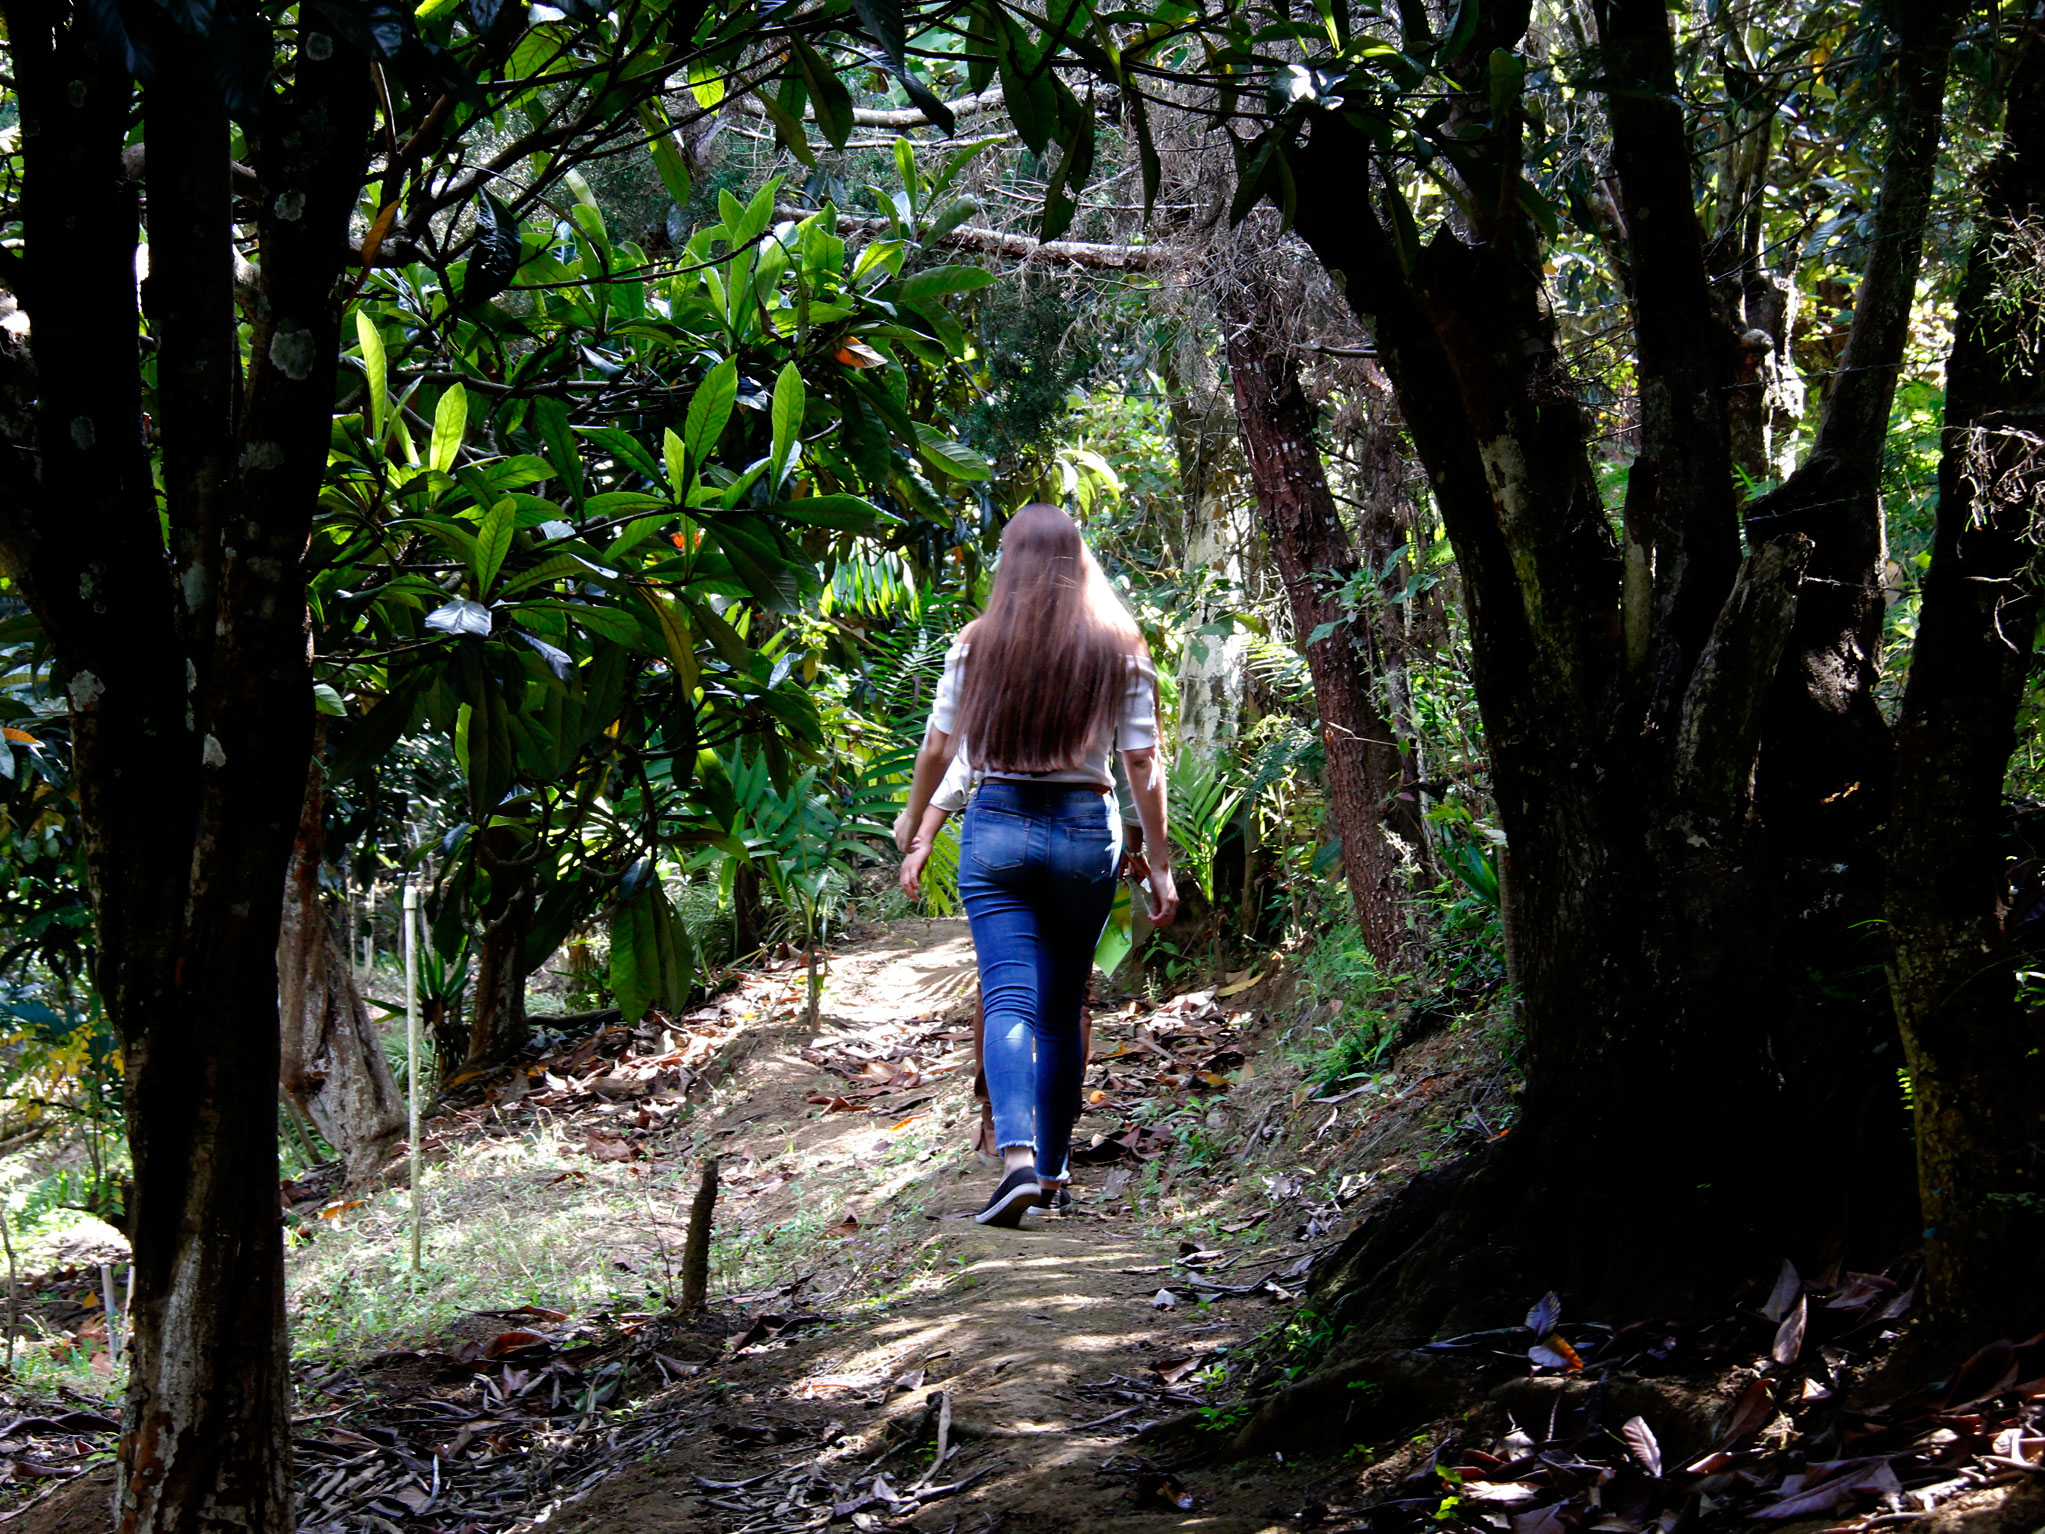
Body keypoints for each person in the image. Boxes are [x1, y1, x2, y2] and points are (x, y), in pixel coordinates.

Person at [894, 504, 1178, 1227]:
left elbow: (938, 745)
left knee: (1008, 998)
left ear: (1009, 563)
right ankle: (1051, 1171)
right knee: (1060, 1008)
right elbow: (1141, 761)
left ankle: (1015, 1159)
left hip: (997, 827)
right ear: (1078, 560)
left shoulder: (977, 643)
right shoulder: (1119, 644)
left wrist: (914, 817)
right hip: (1085, 830)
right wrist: (1159, 861)